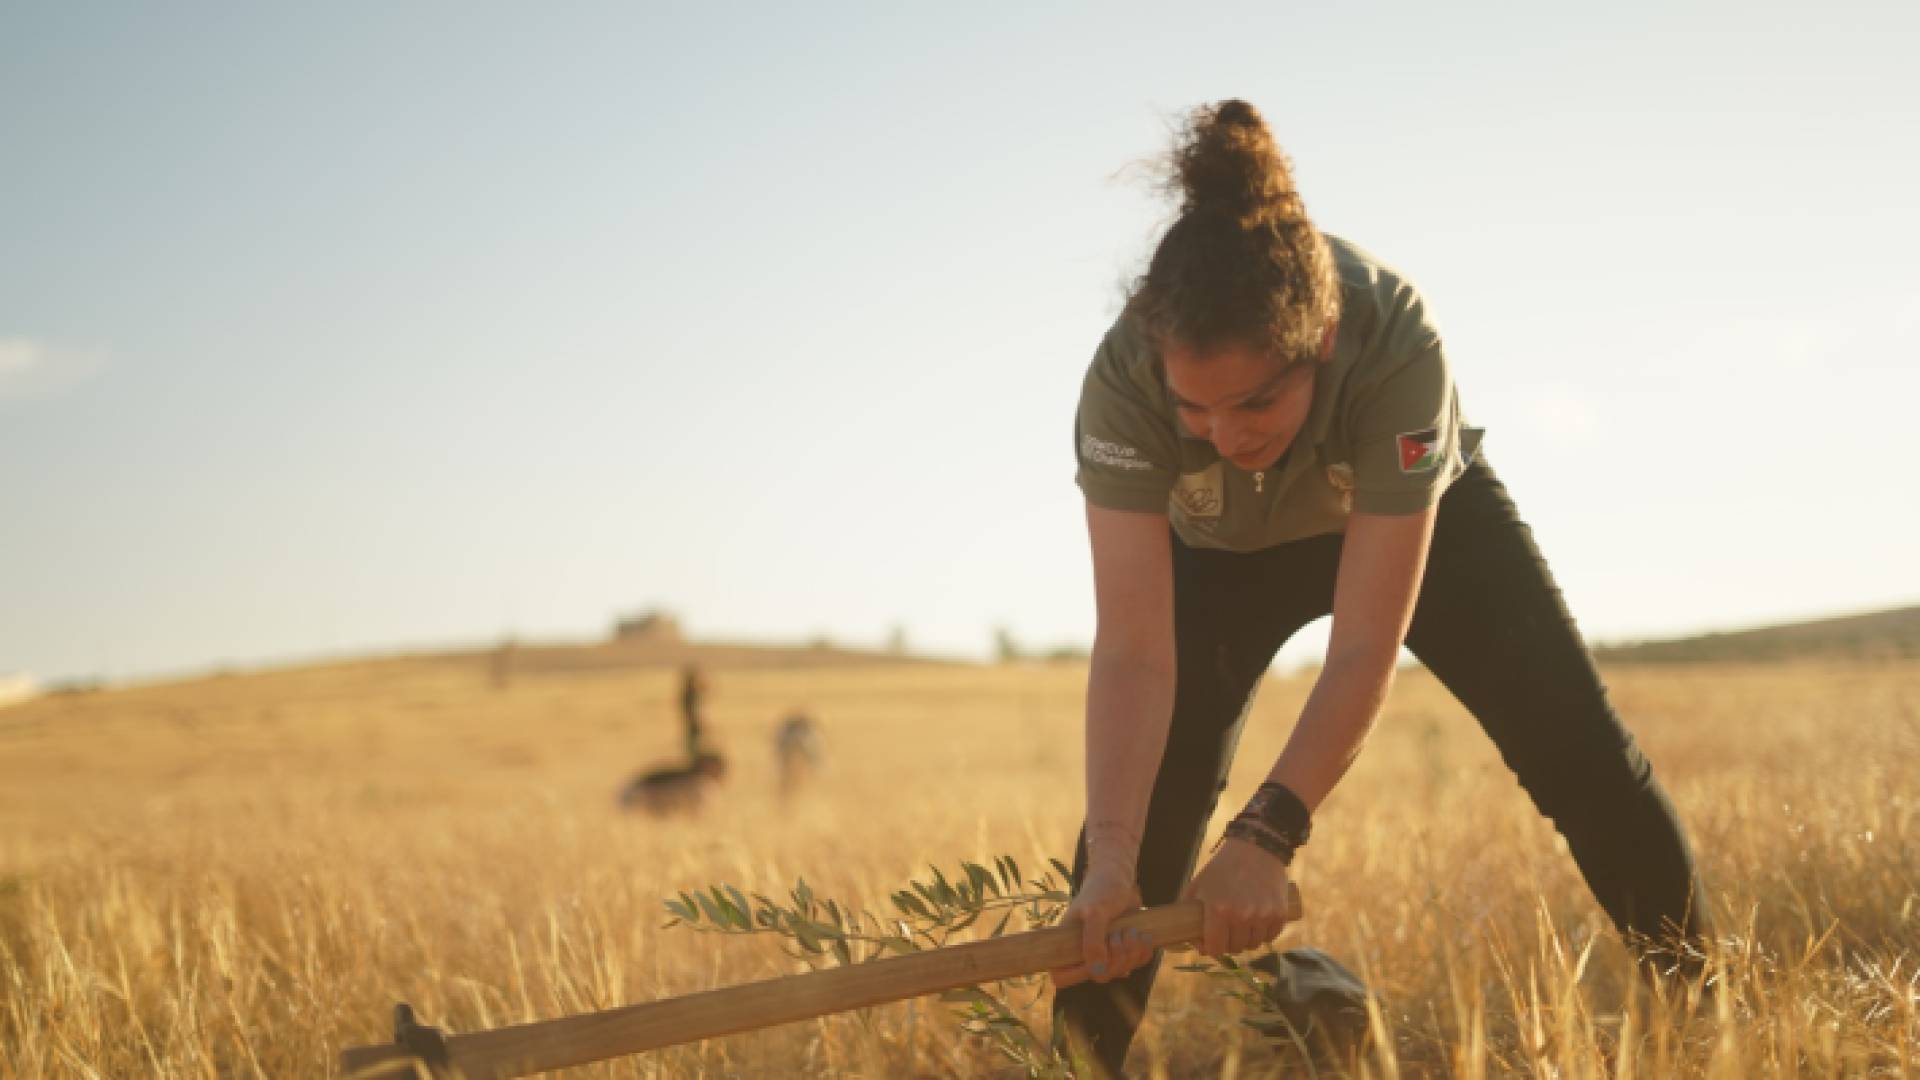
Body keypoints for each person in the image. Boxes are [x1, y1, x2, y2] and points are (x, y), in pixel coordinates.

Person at [1048, 99, 1710, 1075]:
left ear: (1318, 338)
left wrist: (1269, 834)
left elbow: (1364, 644)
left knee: (1582, 754)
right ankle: (1074, 1067)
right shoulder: (1123, 382)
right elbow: (1138, 650)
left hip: (1403, 521)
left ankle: (1709, 1019)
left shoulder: (1396, 339)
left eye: (1256, 400)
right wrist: (1109, 858)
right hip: (1222, 549)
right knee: (1144, 825)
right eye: (1196, 409)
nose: (1226, 435)